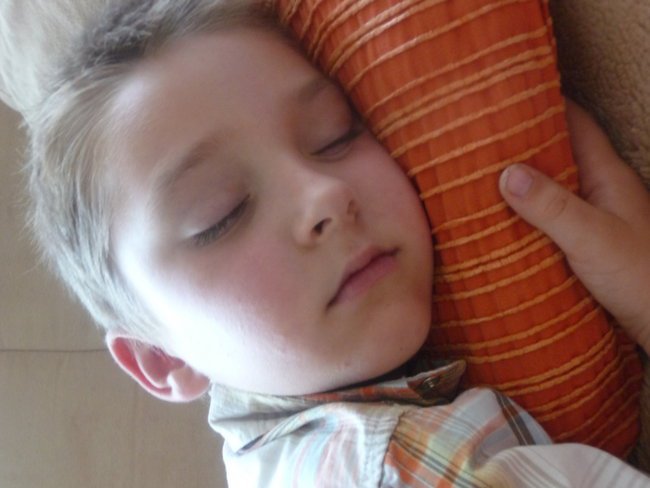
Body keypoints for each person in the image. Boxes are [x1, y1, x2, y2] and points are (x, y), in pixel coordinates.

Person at [25, 0, 650, 486]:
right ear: (162, 359)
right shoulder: (400, 469)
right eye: (222, 214)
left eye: (336, 135)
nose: (324, 194)